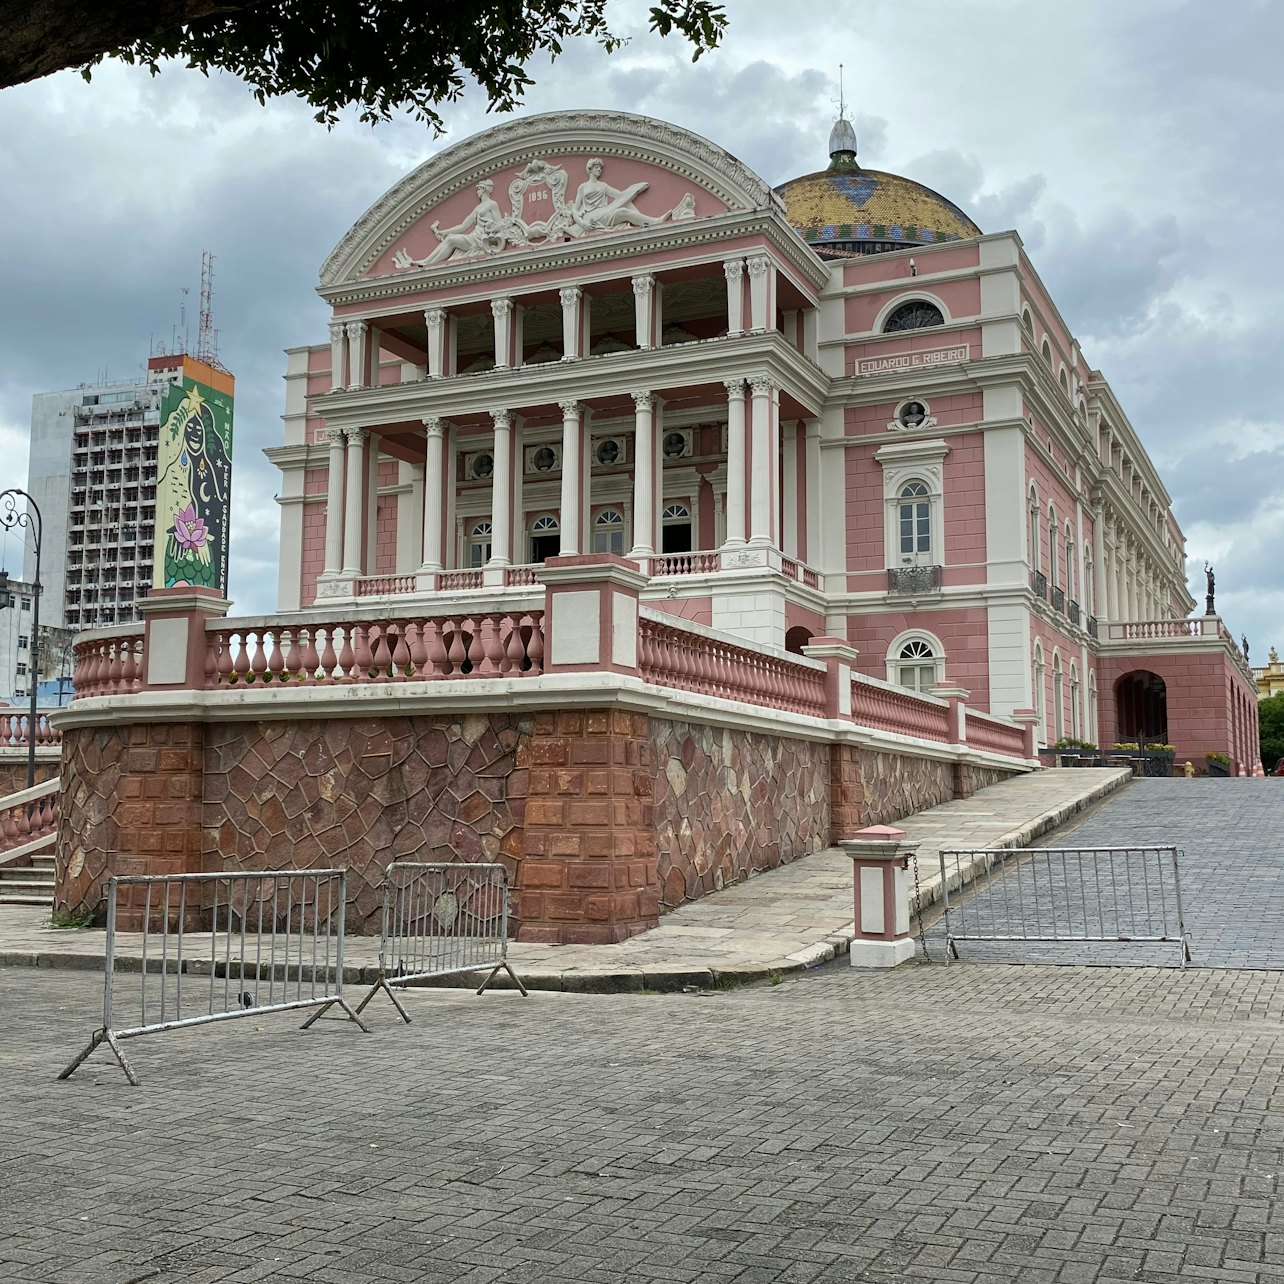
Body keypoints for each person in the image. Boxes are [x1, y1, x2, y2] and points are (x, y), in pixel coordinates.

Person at [568, 159, 667, 234]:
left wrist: (636, 190)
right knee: (622, 211)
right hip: (590, 217)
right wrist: (582, 224)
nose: (599, 169)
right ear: (590, 169)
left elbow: (621, 196)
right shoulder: (583, 187)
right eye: (596, 167)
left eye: (600, 168)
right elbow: (575, 210)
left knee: (623, 209)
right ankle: (654, 222)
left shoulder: (603, 186)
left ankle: (650, 222)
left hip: (603, 213)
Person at [423, 179, 508, 264]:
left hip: (481, 239)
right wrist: (444, 232)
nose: (477, 192)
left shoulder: (492, 204)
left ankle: (429, 263)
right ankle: (426, 261)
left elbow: (499, 224)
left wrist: (490, 226)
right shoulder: (477, 208)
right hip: (474, 236)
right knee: (449, 237)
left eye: (479, 189)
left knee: (451, 240)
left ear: (484, 189)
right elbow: (463, 226)